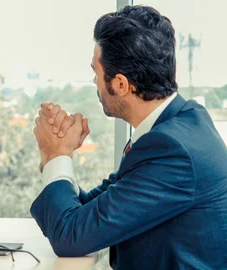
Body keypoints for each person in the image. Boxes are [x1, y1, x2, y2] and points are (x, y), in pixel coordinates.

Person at [30, 6, 227, 269]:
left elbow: (71, 236)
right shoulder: (183, 121)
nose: (94, 82)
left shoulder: (171, 150)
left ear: (121, 84)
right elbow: (95, 212)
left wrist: (57, 154)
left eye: (96, 73)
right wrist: (54, 154)